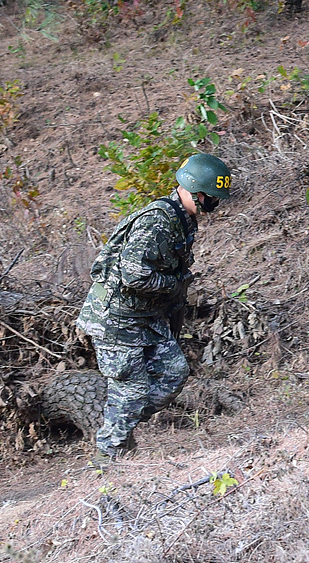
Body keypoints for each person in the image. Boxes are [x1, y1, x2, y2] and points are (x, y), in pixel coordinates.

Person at [76, 153, 233, 465]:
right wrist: (173, 284)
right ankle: (109, 459)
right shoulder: (157, 222)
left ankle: (120, 420)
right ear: (195, 191)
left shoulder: (182, 219)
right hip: (116, 318)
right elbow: (133, 274)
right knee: (131, 392)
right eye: (211, 198)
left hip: (145, 315)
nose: (214, 206)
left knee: (174, 372)